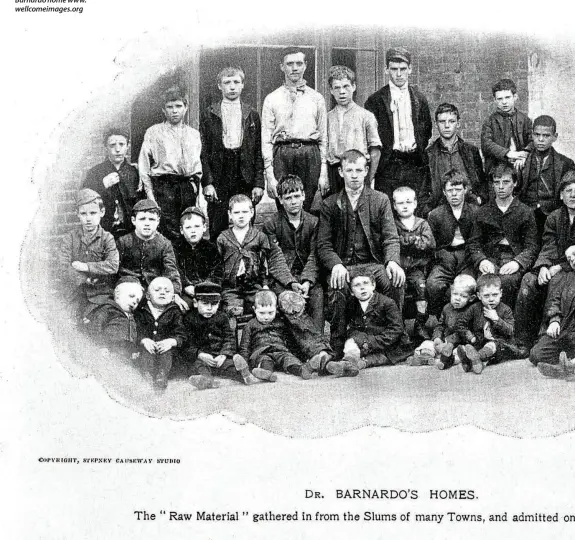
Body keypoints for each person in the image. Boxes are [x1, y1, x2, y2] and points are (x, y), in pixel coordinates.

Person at [317, 149, 405, 356]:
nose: (354, 175)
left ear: (366, 171)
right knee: (337, 286)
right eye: (349, 170)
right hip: (344, 265)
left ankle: (393, 341)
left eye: (359, 170)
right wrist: (336, 264)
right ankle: (337, 348)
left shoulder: (380, 200)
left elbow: (391, 237)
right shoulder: (330, 204)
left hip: (373, 264)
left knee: (394, 280)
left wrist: (392, 261)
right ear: (340, 172)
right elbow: (324, 245)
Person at [138, 86, 214, 242]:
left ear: (185, 108)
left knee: (188, 227)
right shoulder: (154, 132)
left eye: (178, 106)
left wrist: (197, 192)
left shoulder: (194, 134)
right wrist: (151, 195)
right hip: (164, 187)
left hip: (187, 187)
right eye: (170, 107)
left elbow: (198, 167)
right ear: (163, 110)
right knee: (168, 230)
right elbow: (144, 166)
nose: (174, 111)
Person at [200, 66, 264, 240]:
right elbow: (203, 151)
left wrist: (259, 183)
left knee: (244, 219)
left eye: (236, 82)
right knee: (217, 221)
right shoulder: (209, 114)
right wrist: (208, 182)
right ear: (219, 86)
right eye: (227, 83)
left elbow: (258, 151)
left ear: (243, 85)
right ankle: (218, 265)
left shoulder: (252, 114)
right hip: (220, 172)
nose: (232, 87)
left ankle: (247, 262)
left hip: (244, 173)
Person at [261, 47, 328, 211]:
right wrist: (269, 174)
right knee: (284, 205)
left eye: (299, 63)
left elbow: (324, 137)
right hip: (282, 154)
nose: (295, 68)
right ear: (282, 67)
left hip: (309, 154)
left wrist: (323, 171)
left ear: (305, 65)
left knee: (307, 207)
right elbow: (266, 139)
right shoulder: (272, 99)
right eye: (289, 64)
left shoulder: (316, 98)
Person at [514, 172, 575, 350]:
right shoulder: (555, 217)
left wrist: (559, 267)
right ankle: (522, 342)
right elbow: (549, 245)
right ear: (561, 196)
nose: (573, 195)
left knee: (556, 281)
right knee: (529, 281)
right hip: (554, 264)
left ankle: (547, 335)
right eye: (568, 191)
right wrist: (543, 267)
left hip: (570, 269)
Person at [467, 163, 539, 308]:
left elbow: (532, 246)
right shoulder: (483, 211)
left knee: (506, 282)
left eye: (506, 182)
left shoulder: (525, 211)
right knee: (485, 284)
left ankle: (506, 325)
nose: (500, 187)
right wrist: (482, 261)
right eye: (496, 182)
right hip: (490, 258)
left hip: (513, 258)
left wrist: (517, 262)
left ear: (515, 183)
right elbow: (474, 243)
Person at [364, 46, 432, 199]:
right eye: (394, 69)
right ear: (386, 69)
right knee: (388, 209)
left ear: (410, 69)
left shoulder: (419, 98)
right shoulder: (375, 101)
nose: (399, 74)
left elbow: (426, 130)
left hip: (414, 164)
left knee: (414, 208)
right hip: (388, 165)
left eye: (403, 68)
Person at [262, 175, 323, 330]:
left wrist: (307, 281)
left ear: (303, 195)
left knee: (317, 297)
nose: (294, 201)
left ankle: (318, 344)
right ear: (281, 200)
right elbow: (275, 258)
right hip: (283, 278)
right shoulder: (271, 224)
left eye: (297, 196)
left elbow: (314, 255)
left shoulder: (314, 222)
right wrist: (291, 282)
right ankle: (299, 346)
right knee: (287, 300)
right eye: (288, 198)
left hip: (307, 276)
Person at [216, 194, 292, 317]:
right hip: (231, 287)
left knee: (265, 305)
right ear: (230, 214)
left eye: (245, 212)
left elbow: (264, 264)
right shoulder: (223, 238)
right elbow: (218, 265)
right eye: (236, 212)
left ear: (252, 212)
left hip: (254, 286)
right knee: (233, 311)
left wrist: (265, 285)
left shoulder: (259, 237)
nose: (241, 216)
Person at [330, 267, 406, 377]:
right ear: (351, 292)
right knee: (351, 342)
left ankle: (351, 364)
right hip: (365, 343)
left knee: (379, 357)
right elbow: (350, 326)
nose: (362, 288)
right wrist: (355, 338)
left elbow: (397, 329)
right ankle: (348, 364)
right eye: (357, 285)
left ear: (373, 285)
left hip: (388, 344)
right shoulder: (351, 304)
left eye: (366, 283)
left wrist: (370, 342)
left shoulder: (387, 303)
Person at [58, 188, 119, 321]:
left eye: (93, 213)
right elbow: (63, 267)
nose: (88, 219)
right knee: (66, 322)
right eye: (83, 214)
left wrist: (85, 266)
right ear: (77, 214)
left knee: (98, 322)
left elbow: (113, 265)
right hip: (75, 292)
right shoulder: (70, 238)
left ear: (101, 212)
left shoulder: (107, 238)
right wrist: (84, 279)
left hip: (101, 294)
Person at [183, 281, 258, 390]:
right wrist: (200, 354)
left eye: (214, 304)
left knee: (230, 365)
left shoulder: (222, 317)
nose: (209, 308)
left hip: (219, 356)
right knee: (198, 366)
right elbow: (187, 344)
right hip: (202, 357)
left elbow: (229, 338)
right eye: (204, 303)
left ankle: (245, 375)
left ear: (219, 303)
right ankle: (206, 380)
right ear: (195, 303)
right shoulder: (189, 319)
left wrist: (223, 355)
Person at [426, 170, 478, 317]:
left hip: (467, 258)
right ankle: (436, 319)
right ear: (444, 192)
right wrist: (440, 256)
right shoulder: (436, 214)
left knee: (467, 287)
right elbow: (432, 245)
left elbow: (477, 241)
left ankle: (464, 322)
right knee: (433, 284)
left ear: (465, 190)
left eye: (458, 190)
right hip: (444, 257)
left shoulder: (475, 212)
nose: (454, 194)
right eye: (450, 190)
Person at [420, 103, 487, 215]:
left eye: (451, 121)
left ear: (458, 124)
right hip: (439, 210)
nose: (447, 126)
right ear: (436, 124)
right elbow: (422, 191)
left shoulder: (471, 151)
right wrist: (428, 211)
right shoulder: (428, 155)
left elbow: (481, 183)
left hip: (469, 208)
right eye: (442, 122)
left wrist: (479, 200)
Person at [517, 115, 575, 237]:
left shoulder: (566, 163)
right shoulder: (522, 161)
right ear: (532, 135)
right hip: (526, 214)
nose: (541, 140)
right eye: (537, 135)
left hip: (553, 216)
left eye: (546, 136)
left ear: (555, 137)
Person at [326, 65, 381, 193]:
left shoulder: (366, 116)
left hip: (357, 171)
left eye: (346, 86)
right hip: (334, 172)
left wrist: (368, 178)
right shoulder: (327, 117)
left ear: (354, 87)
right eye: (337, 88)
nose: (342, 92)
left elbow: (375, 150)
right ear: (331, 90)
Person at [238, 290, 314, 381]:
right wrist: (245, 363)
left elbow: (290, 341)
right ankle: (266, 373)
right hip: (261, 352)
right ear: (254, 309)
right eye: (262, 313)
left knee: (289, 359)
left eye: (270, 313)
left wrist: (299, 356)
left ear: (276, 309)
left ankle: (302, 370)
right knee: (265, 361)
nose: (266, 317)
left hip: (280, 350)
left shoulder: (280, 323)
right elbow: (244, 347)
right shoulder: (250, 325)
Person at [392, 186, 435, 341]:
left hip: (416, 268)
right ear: (395, 206)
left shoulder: (422, 224)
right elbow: (393, 242)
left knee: (422, 289)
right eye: (401, 203)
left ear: (415, 204)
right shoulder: (393, 225)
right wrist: (415, 241)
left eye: (409, 202)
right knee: (397, 290)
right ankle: (399, 328)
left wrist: (408, 242)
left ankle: (420, 324)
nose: (405, 206)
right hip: (399, 268)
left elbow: (429, 243)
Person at [82, 128, 141, 238]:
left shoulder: (134, 173)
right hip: (103, 230)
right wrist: (102, 185)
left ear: (127, 146)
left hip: (129, 232)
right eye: (112, 145)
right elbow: (84, 199)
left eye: (121, 144)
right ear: (106, 148)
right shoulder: (95, 172)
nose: (117, 149)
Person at [116, 199, 181, 297]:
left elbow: (171, 272)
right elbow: (114, 269)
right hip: (129, 289)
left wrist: (174, 293)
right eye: (142, 219)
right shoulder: (123, 242)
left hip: (154, 291)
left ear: (158, 221)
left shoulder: (164, 244)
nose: (147, 223)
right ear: (133, 220)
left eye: (151, 219)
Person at [455, 274, 514, 374]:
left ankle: (475, 358)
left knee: (492, 345)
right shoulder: (475, 308)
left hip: (499, 346)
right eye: (486, 296)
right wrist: (471, 337)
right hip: (479, 343)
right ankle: (475, 362)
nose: (491, 299)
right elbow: (460, 323)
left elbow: (510, 331)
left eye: (495, 295)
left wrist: (496, 319)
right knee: (460, 351)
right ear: (479, 296)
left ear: (501, 293)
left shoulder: (505, 310)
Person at [134, 277, 186, 391]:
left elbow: (181, 333)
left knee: (166, 353)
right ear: (147, 296)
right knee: (145, 353)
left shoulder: (175, 312)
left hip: (167, 350)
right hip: (148, 348)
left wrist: (172, 341)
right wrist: (144, 340)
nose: (162, 293)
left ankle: (162, 376)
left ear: (173, 297)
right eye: (157, 290)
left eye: (167, 291)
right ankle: (147, 375)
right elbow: (137, 330)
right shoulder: (142, 311)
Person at [530, 245, 575, 369]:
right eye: (570, 259)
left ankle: (569, 364)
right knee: (536, 355)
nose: (573, 261)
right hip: (565, 329)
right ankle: (568, 362)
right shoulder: (565, 277)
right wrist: (554, 320)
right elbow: (554, 300)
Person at [173, 206, 223, 312]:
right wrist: (185, 285)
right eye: (188, 228)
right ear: (181, 230)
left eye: (197, 226)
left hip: (207, 290)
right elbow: (175, 269)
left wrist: (204, 287)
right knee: (181, 308)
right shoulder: (175, 248)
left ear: (204, 227)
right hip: (185, 291)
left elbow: (217, 271)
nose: (193, 231)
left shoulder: (211, 248)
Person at [481, 78, 532, 175]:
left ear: (515, 97)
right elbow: (487, 144)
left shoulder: (525, 120)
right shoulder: (490, 122)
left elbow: (532, 141)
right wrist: (508, 153)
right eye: (500, 99)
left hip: (521, 167)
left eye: (507, 97)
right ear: (495, 100)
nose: (504, 102)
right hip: (497, 170)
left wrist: (524, 155)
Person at [89, 277, 144, 358]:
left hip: (125, 354)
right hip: (109, 350)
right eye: (131, 296)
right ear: (118, 294)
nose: (134, 302)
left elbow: (133, 336)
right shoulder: (108, 309)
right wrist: (101, 346)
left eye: (137, 301)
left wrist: (134, 351)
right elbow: (96, 327)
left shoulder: (132, 317)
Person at [431, 275, 477, 370]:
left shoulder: (470, 311)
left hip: (459, 342)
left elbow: (465, 332)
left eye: (463, 296)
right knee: (428, 344)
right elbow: (440, 325)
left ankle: (449, 359)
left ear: (471, 298)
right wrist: (437, 337)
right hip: (445, 339)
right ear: (451, 292)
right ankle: (425, 355)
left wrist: (449, 341)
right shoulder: (447, 308)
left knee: (460, 351)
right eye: (455, 294)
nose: (457, 298)